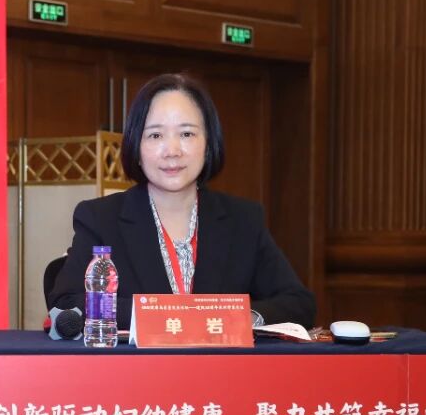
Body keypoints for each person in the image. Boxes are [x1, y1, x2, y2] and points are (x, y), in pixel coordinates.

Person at [48, 73, 315, 330]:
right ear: (136, 148)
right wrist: (162, 316)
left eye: (186, 134)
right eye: (155, 135)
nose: (172, 151)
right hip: (138, 362)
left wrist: (238, 318)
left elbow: (298, 303)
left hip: (218, 362)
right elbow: (66, 303)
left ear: (208, 144)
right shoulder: (100, 219)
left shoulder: (243, 220)